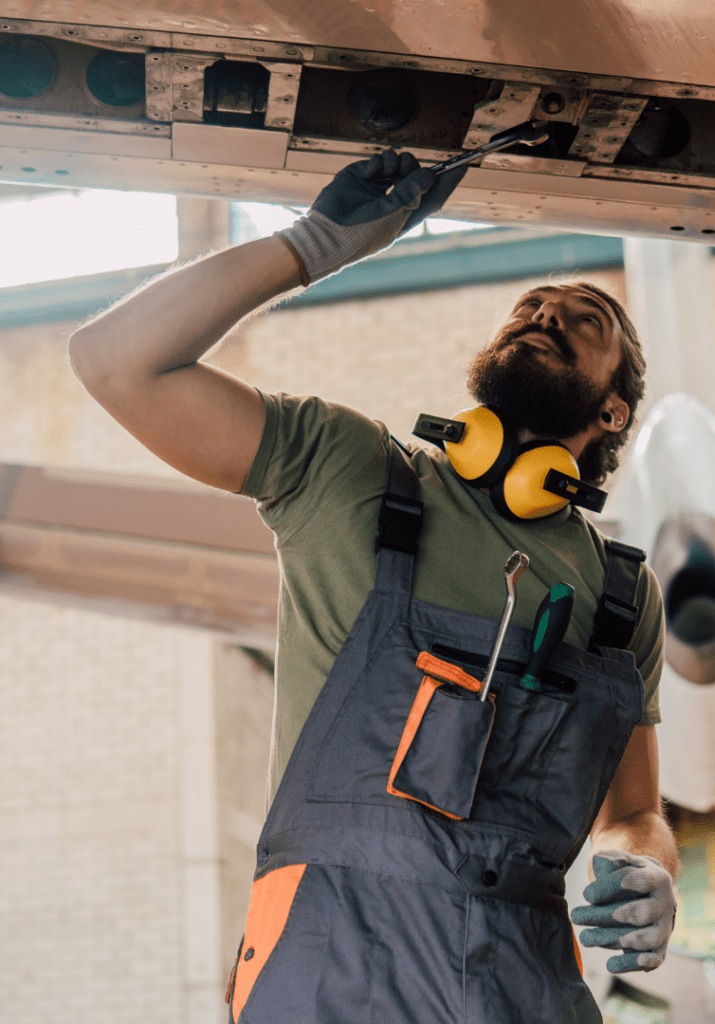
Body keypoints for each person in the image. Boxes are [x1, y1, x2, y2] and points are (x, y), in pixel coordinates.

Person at [68, 149, 678, 1023]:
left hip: (520, 986)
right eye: (529, 307)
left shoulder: (623, 600)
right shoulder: (347, 471)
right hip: (327, 969)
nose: (546, 311)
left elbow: (635, 810)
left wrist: (650, 864)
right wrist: (313, 245)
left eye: (585, 319)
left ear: (613, 410)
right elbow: (113, 361)